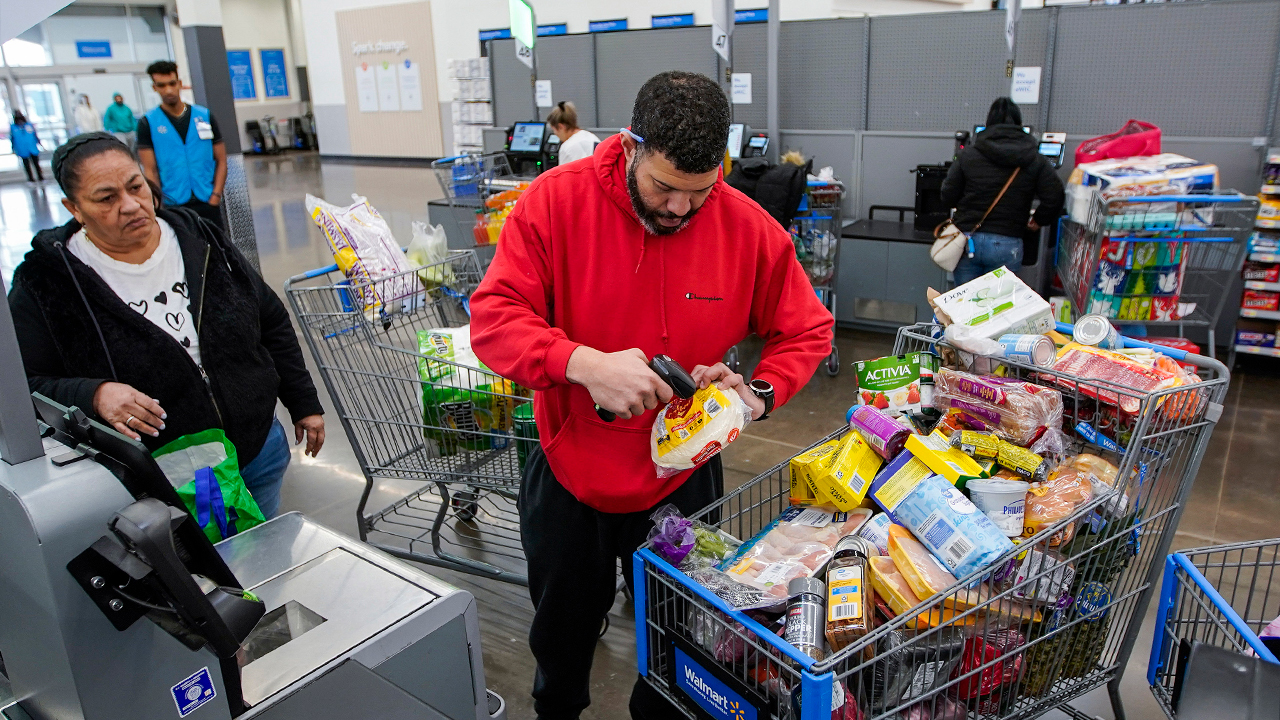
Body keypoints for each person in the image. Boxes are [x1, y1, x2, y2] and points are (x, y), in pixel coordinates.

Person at [470, 71, 834, 720]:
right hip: (569, 473)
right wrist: (578, 362)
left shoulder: (745, 227)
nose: (679, 209)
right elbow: (494, 320)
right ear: (630, 144)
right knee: (561, 645)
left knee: (675, 657)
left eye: (700, 192)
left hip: (682, 486)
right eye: (664, 187)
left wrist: (754, 393)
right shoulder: (554, 205)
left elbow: (807, 328)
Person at [8, 133, 324, 518]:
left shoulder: (200, 238)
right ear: (73, 207)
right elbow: (25, 383)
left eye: (135, 186)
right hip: (159, 480)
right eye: (106, 198)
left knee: (266, 562)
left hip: (257, 451)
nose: (130, 206)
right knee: (195, 575)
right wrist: (93, 394)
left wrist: (303, 402)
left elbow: (269, 319)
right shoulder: (46, 281)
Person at [941, 97, 1065, 286]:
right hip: (1008, 242)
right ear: (1019, 124)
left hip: (967, 241)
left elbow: (947, 195)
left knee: (964, 309)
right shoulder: (1034, 159)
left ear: (988, 124)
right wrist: (1039, 220)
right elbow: (1055, 196)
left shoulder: (968, 155)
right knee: (999, 311)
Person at [137, 60, 228, 230]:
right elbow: (150, 170)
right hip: (174, 204)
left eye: (172, 83)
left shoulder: (204, 116)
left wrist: (215, 196)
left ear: (179, 84)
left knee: (218, 251)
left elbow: (221, 159)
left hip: (207, 199)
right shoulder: (148, 123)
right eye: (161, 85)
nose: (169, 90)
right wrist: (158, 206)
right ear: (154, 88)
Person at [547, 100, 600, 165]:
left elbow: (564, 174)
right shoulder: (592, 137)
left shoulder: (567, 148)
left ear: (560, 127)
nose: (555, 133)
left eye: (554, 130)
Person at [9, 111, 44, 183]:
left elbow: (34, 135)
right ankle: (31, 179)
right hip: (22, 149)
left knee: (36, 164)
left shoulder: (29, 125)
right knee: (26, 165)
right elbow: (12, 138)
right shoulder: (13, 127)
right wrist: (13, 148)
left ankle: (41, 177)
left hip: (32, 147)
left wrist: (39, 143)